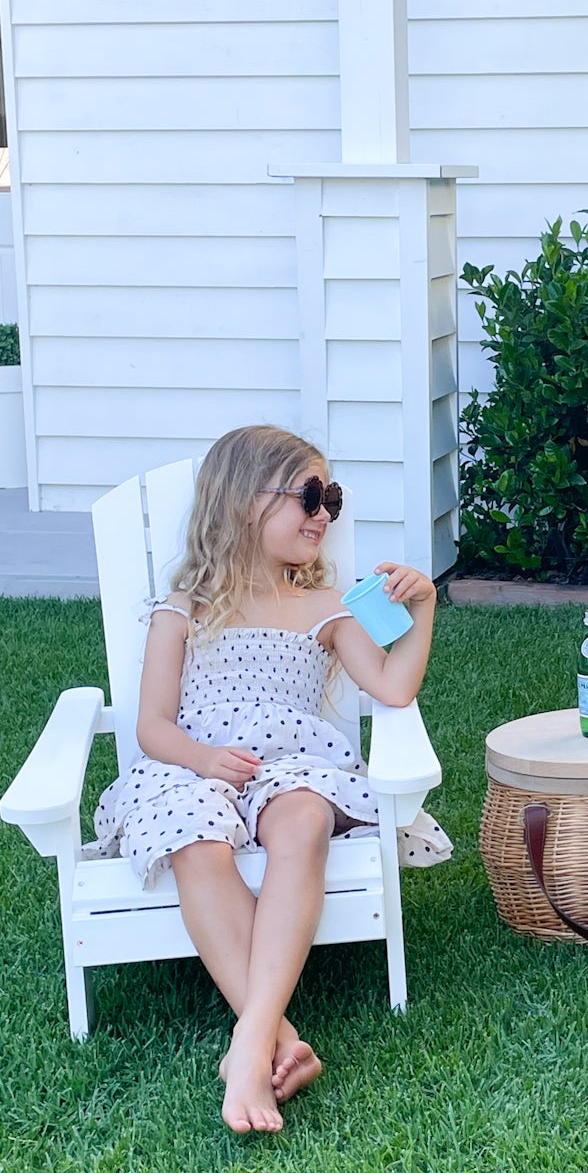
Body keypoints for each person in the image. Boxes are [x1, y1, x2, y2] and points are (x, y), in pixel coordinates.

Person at [92, 425, 450, 1134]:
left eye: (333, 500)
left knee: (305, 819)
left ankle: (249, 1042)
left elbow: (394, 689)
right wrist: (200, 759)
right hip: (196, 767)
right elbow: (153, 726)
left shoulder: (329, 606)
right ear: (243, 503)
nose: (324, 515)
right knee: (195, 836)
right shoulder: (183, 608)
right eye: (309, 497)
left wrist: (425, 608)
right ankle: (276, 1037)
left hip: (288, 766)